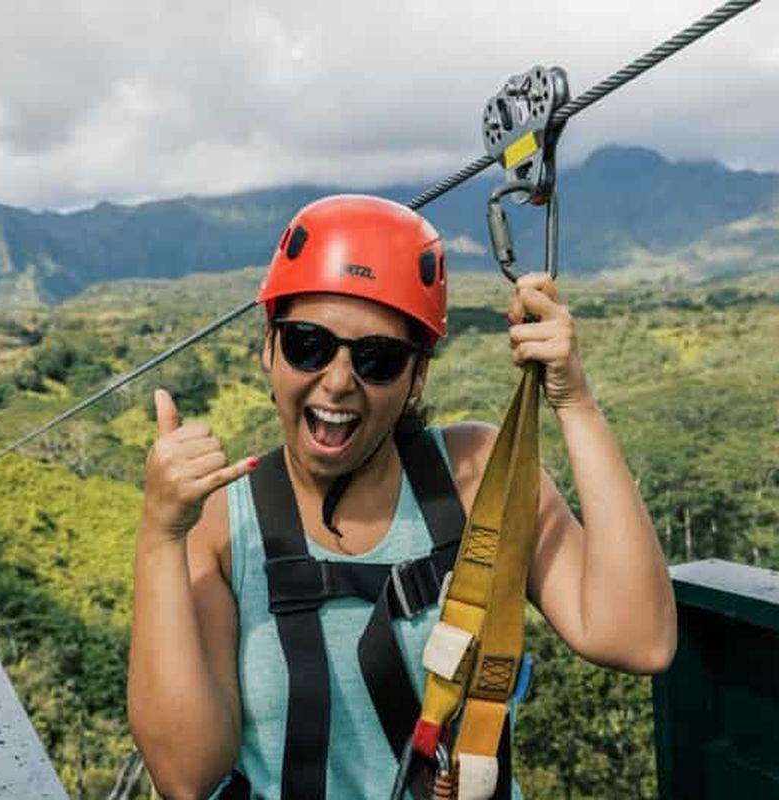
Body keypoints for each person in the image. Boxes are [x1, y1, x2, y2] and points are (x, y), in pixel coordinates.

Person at [127, 194, 677, 800]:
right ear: (269, 347)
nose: (338, 381)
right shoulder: (221, 523)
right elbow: (186, 775)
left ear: (418, 376)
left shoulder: (473, 479)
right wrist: (159, 535)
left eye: (378, 359)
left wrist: (574, 402)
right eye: (308, 344)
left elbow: (636, 637)